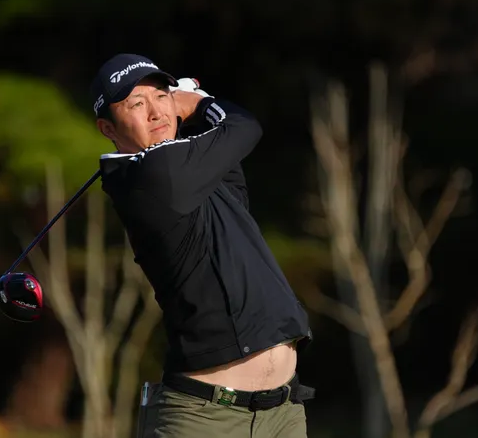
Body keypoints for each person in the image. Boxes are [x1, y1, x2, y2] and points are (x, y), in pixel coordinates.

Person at [90, 53, 315, 437]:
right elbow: (242, 127)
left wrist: (187, 116)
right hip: (204, 418)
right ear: (108, 127)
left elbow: (230, 172)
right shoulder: (148, 177)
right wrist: (198, 104)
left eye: (161, 96)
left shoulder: (188, 171)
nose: (156, 112)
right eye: (136, 104)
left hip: (282, 413)